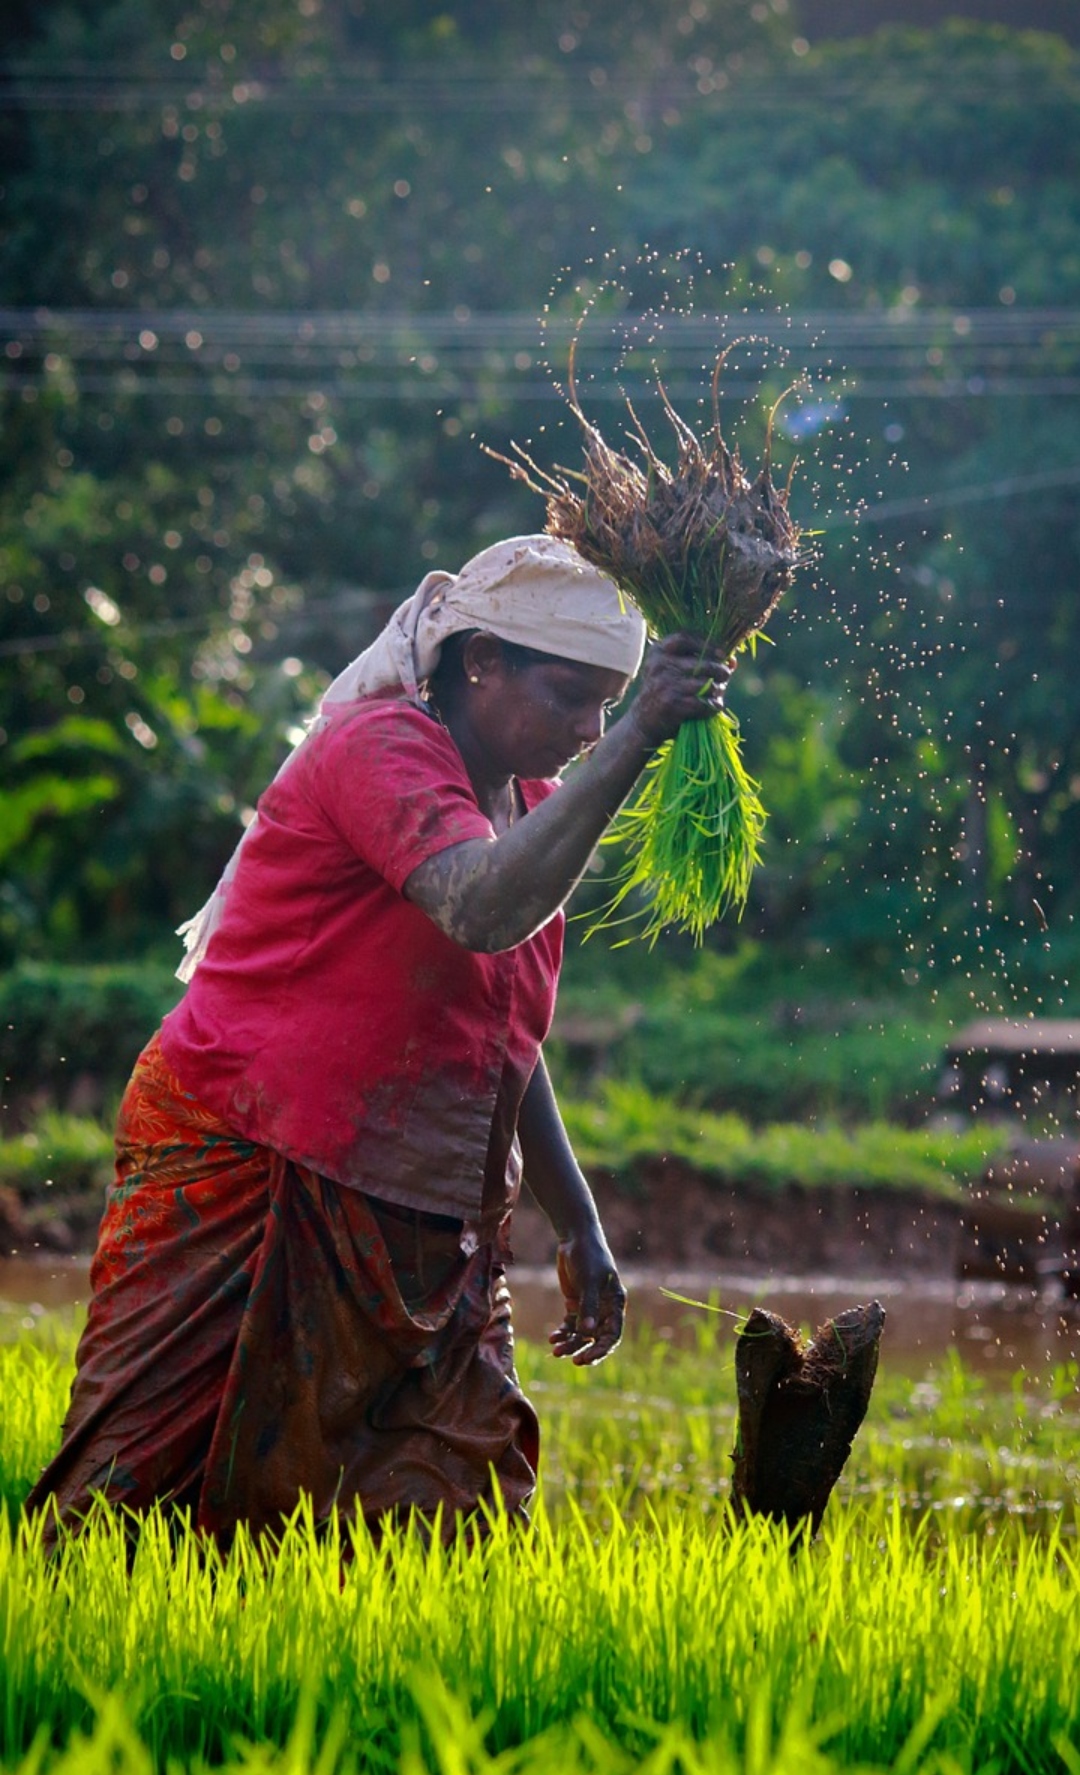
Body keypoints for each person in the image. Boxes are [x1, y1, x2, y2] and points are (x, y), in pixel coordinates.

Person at [28, 534, 731, 1549]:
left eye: (607, 707)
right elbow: (482, 910)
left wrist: (578, 1221)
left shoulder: (529, 803)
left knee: (458, 1497)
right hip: (252, 1149)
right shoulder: (378, 750)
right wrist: (642, 735)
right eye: (569, 696)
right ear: (480, 661)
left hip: (427, 1201)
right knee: (141, 1488)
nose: (587, 729)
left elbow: (502, 1035)